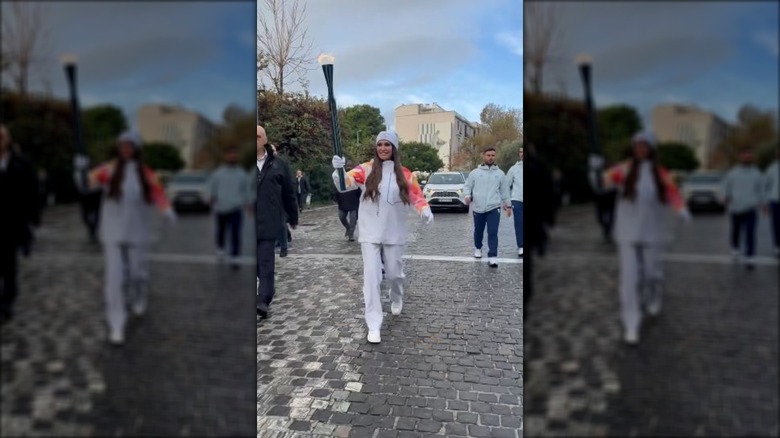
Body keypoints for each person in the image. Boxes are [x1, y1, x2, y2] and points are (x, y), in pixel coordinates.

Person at [331, 131, 433, 344]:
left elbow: (416, 196)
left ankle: (397, 295)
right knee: (372, 278)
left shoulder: (405, 174)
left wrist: (424, 210)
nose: (383, 148)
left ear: (394, 148)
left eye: (388, 144)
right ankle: (374, 323)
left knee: (395, 274)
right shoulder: (365, 169)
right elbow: (344, 184)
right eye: (380, 144)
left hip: (394, 233)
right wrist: (338, 171)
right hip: (369, 233)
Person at [86, 131, 176, 345]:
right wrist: (81, 170)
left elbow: (158, 193)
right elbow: (88, 181)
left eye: (130, 146)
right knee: (114, 280)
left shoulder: (145, 173)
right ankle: (116, 324)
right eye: (123, 146)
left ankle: (139, 295)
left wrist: (166, 210)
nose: (126, 149)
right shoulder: (108, 170)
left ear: (136, 149)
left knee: (137, 274)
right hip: (112, 232)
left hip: (137, 232)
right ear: (119, 148)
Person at [602, 131, 691, 345]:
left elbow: (673, 193)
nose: (641, 149)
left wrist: (681, 210)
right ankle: (631, 324)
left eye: (645, 146)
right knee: (629, 280)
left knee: (652, 274)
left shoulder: (660, 173)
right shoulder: (623, 169)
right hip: (627, 232)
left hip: (653, 232)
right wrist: (596, 170)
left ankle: (654, 295)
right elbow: (604, 181)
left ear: (651, 149)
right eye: (638, 146)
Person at [255, 125, 298, 319]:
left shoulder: (279, 164)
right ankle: (263, 290)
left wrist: (293, 216)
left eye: (257, 136)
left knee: (266, 263)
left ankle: (264, 299)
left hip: (268, 222)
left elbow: (289, 193)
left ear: (265, 139)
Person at [0, 124, 39, 324]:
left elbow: (32, 191)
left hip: (11, 221)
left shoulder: (21, 163)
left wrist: (33, 218)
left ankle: (6, 301)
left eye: (2, 136)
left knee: (8, 264)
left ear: (8, 140)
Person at [522, 141, 555, 321]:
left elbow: (546, 192)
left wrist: (547, 219)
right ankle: (526, 299)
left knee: (528, 263)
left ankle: (526, 298)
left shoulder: (537, 165)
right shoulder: (534, 165)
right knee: (527, 263)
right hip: (527, 219)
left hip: (532, 220)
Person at [464, 147, 512, 267]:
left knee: (493, 231)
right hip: (478, 207)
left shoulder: (500, 174)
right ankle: (478, 248)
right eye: (488, 155)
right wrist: (467, 196)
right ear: (483, 156)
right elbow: (467, 186)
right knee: (478, 231)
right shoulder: (475, 173)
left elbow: (505, 191)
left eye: (493, 155)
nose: (491, 157)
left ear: (495, 157)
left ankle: (492, 256)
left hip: (494, 207)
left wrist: (508, 204)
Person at [208, 146, 251, 269]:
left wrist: (249, 204)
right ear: (226, 156)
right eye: (230, 155)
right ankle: (220, 249)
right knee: (221, 230)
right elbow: (212, 188)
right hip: (221, 207)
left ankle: (235, 256)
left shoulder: (241, 173)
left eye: (234, 155)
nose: (232, 157)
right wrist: (211, 199)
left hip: (236, 207)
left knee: (235, 232)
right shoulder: (219, 173)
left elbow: (246, 190)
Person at [723, 147, 765, 269]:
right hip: (735, 207)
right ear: (740, 156)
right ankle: (735, 249)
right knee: (735, 231)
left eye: (749, 155)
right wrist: (725, 197)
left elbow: (761, 190)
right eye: (744, 155)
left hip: (751, 208)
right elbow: (726, 187)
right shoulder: (732, 173)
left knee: (750, 232)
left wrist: (764, 203)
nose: (747, 157)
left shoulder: (757, 173)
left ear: (752, 157)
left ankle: (750, 256)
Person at [332, 162, 361, 241]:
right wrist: (335, 198)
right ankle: (348, 228)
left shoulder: (355, 177)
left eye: (350, 166)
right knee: (341, 217)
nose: (349, 168)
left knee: (353, 220)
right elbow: (336, 188)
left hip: (354, 202)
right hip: (343, 202)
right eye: (347, 166)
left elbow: (359, 189)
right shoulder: (341, 178)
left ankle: (351, 234)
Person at [506, 146, 523, 257]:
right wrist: (507, 202)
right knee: (519, 224)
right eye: (520, 152)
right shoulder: (513, 169)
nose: (522, 154)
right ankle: (521, 246)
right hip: (517, 200)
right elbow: (506, 186)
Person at [764, 148, 780, 256]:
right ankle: (778, 246)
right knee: (776, 225)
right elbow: (766, 186)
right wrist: (766, 202)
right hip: (775, 200)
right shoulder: (771, 169)